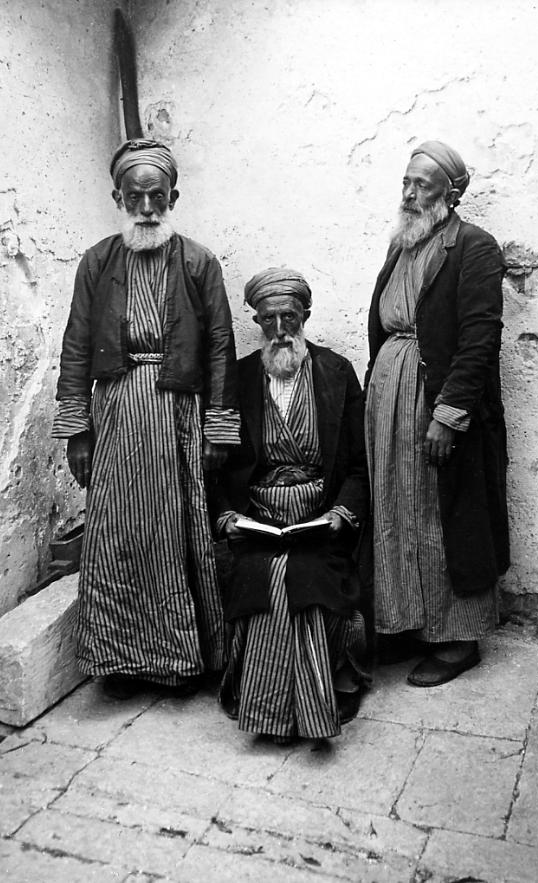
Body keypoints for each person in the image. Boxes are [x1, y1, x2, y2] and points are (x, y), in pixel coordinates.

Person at [53, 139, 239, 699]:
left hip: (176, 412)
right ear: (118, 197)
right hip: (115, 412)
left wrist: (218, 426)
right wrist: (76, 429)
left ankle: (180, 660)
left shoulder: (199, 261)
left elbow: (221, 348)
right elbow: (77, 346)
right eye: (135, 197)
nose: (148, 208)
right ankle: (118, 659)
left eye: (157, 196)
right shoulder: (98, 261)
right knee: (115, 533)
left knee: (174, 531)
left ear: (173, 197)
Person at [365, 140, 509, 687]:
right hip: (390, 400)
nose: (409, 193)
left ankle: (457, 639)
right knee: (396, 509)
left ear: (452, 191)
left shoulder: (473, 246)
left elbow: (479, 338)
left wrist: (448, 414)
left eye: (421, 185)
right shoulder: (402, 245)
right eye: (406, 182)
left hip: (438, 401)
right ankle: (406, 624)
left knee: (440, 513)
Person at [213, 268, 370, 743]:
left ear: (306, 315)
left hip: (320, 516)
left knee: (304, 576)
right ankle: (274, 710)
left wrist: (341, 513)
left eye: (289, 317)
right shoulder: (238, 378)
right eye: (268, 320)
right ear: (256, 320)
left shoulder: (336, 372)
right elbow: (215, 465)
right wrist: (228, 517)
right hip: (258, 515)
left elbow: (361, 464)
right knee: (267, 574)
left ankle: (306, 706)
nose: (280, 330)